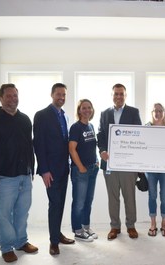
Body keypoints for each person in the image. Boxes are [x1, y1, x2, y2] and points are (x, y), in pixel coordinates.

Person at [0, 83, 38, 263]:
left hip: (24, 176)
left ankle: (21, 241)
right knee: (4, 215)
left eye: (15, 95)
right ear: (1, 98)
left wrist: (31, 169)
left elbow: (29, 146)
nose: (13, 99)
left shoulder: (25, 119)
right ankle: (6, 247)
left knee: (22, 212)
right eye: (9, 96)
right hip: (3, 178)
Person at [33, 83, 75, 256]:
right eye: (58, 94)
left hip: (64, 169)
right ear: (52, 94)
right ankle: (54, 242)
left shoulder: (64, 115)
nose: (61, 97)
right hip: (50, 170)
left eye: (64, 95)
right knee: (55, 205)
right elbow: (38, 143)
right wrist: (44, 170)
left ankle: (57, 234)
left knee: (60, 204)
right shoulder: (42, 115)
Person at [97, 83, 142, 240]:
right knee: (113, 196)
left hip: (128, 163)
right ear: (112, 95)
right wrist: (102, 150)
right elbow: (101, 134)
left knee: (129, 196)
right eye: (116, 94)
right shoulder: (104, 113)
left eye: (121, 94)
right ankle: (114, 227)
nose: (118, 96)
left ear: (125, 95)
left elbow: (139, 134)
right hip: (109, 163)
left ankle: (131, 226)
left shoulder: (133, 112)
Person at [69, 99, 99, 242]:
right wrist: (80, 166)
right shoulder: (76, 127)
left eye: (89, 107)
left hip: (93, 168)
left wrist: (97, 161)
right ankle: (78, 230)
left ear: (92, 110)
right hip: (80, 170)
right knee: (79, 202)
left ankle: (86, 227)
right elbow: (72, 149)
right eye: (84, 108)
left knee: (88, 201)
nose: (87, 110)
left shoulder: (91, 126)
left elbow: (91, 147)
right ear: (79, 110)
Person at [145, 103, 165, 237]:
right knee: (152, 196)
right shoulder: (146, 128)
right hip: (150, 169)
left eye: (160, 110)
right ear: (151, 113)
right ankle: (153, 224)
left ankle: (164, 224)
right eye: (155, 111)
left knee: (164, 197)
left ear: (164, 113)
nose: (157, 113)